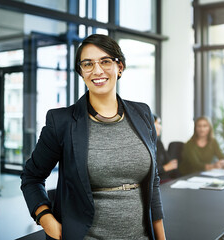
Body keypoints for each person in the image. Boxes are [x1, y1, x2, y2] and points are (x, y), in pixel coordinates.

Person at [20, 34, 165, 240]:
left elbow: (153, 183)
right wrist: (45, 218)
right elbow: (31, 177)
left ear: (120, 67)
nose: (97, 70)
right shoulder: (62, 122)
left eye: (105, 61)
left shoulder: (143, 114)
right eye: (88, 64)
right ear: (81, 72)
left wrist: (161, 237)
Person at [153, 115, 178, 183]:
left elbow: (171, 165)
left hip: (166, 179)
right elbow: (148, 171)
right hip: (155, 183)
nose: (160, 127)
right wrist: (165, 168)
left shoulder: (159, 143)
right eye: (158, 123)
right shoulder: (143, 144)